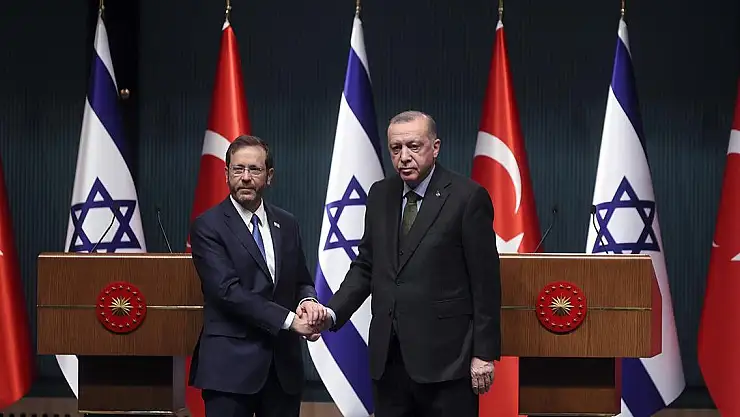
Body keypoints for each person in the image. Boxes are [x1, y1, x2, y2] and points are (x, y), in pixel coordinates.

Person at [316, 111, 502, 417]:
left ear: (435, 147)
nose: (404, 157)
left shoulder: (468, 198)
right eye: (396, 148)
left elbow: (486, 284)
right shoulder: (380, 194)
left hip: (447, 362)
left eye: (414, 146)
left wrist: (484, 353)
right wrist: (332, 313)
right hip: (389, 361)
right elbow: (366, 266)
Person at [188, 135, 327, 417]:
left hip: (282, 371)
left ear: (269, 176)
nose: (246, 177)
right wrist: (291, 321)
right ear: (226, 174)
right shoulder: (208, 226)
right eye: (238, 169)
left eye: (254, 169)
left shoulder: (287, 223)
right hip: (230, 371)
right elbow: (227, 292)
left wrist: (308, 302)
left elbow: (300, 280)